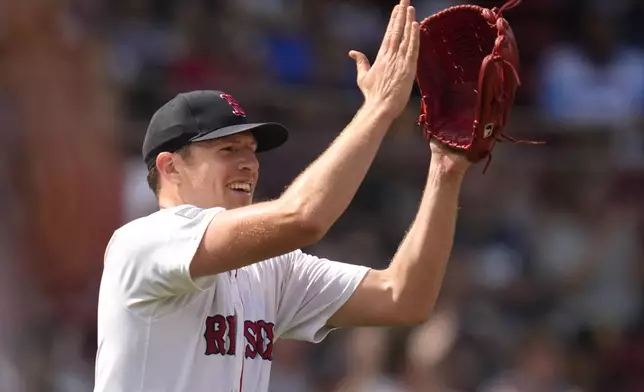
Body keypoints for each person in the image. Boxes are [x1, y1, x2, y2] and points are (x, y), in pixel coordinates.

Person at [94, 0, 470, 391]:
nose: (248, 164)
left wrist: (445, 171)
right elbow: (302, 217)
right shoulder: (143, 243)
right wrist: (377, 110)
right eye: (228, 150)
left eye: (251, 151)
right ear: (170, 167)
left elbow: (404, 297)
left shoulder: (270, 269)